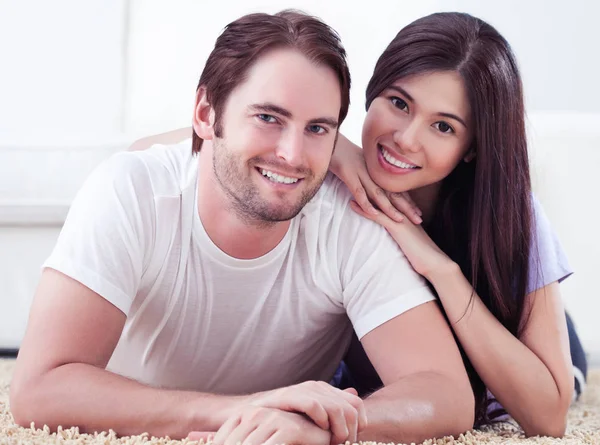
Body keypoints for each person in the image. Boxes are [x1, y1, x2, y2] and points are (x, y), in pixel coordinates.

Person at [9, 10, 474, 445]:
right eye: (268, 118)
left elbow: (447, 395)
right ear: (206, 115)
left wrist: (321, 426)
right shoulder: (131, 191)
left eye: (317, 129)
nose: (292, 155)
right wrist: (242, 411)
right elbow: (38, 390)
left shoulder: (349, 219)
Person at [137, 11, 588, 439]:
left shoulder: (509, 212)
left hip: (508, 337)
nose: (406, 139)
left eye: (444, 127)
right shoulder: (316, 169)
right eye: (398, 103)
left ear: (472, 147)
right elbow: (151, 150)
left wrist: (440, 270)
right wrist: (332, 148)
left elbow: (547, 416)